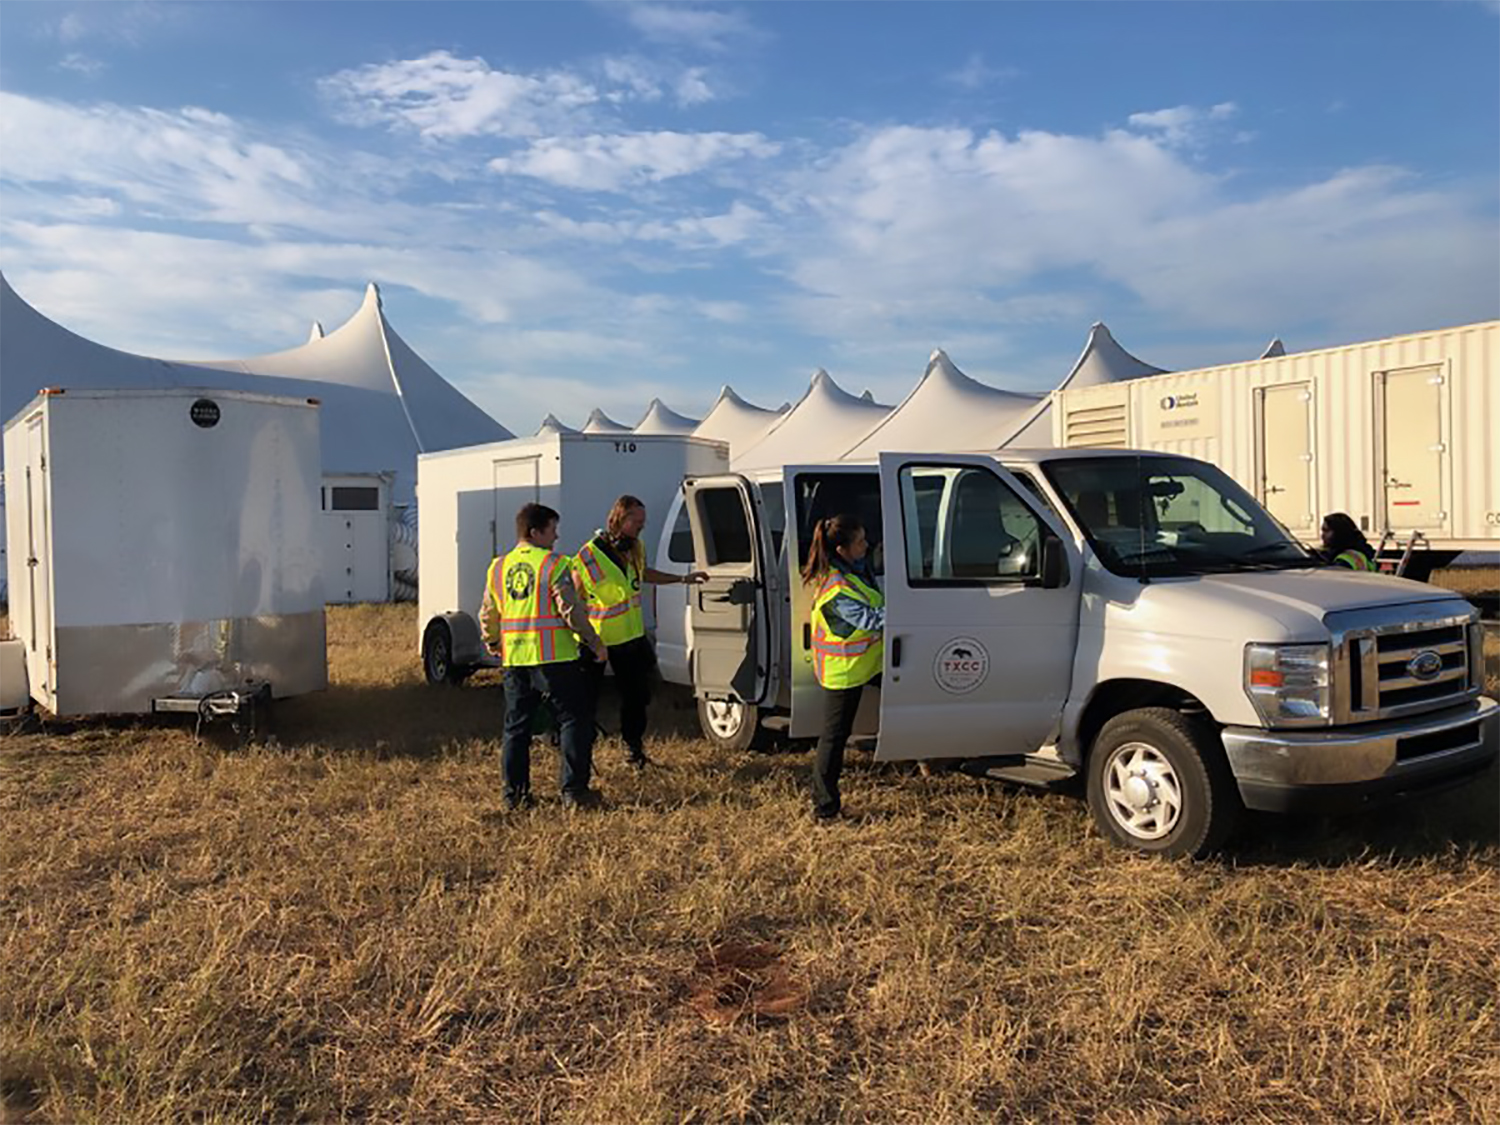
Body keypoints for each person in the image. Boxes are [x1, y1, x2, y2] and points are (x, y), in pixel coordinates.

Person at [480, 502, 609, 811]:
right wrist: (594, 642)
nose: (556, 536)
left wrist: (492, 640)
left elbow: (488, 611)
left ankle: (515, 797)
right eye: (552, 530)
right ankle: (574, 792)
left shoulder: (498, 566)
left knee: (516, 729)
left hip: (514, 660)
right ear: (535, 532)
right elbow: (570, 610)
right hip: (554, 659)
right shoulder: (555, 565)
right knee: (574, 720)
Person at [573, 495, 707, 767]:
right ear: (620, 518)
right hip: (597, 640)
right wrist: (586, 635)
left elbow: (644, 574)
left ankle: (633, 752)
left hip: (631, 637)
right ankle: (579, 758)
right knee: (585, 702)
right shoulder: (587, 556)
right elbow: (574, 599)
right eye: (637, 521)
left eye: (643, 522)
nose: (641, 527)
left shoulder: (636, 547)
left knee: (636, 698)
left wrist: (682, 579)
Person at [803, 513, 885, 821]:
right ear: (842, 550)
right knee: (833, 740)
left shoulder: (852, 570)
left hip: (867, 664)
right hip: (845, 671)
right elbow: (869, 620)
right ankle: (824, 809)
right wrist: (909, 613)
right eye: (861, 542)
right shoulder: (836, 588)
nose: (867, 545)